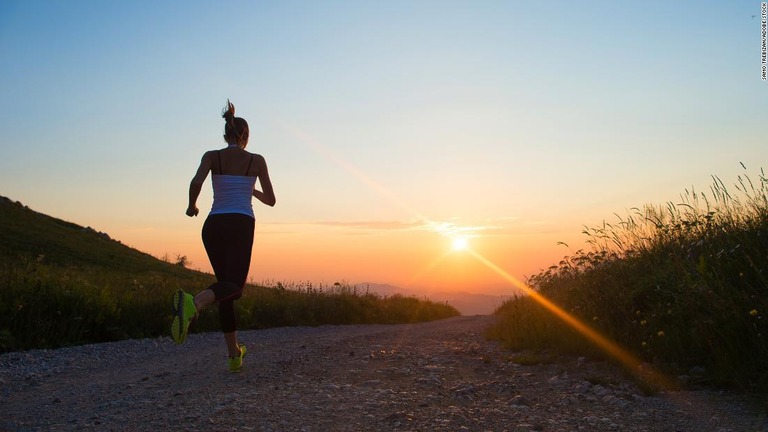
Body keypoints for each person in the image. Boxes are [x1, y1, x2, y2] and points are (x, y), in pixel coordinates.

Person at [172, 99, 276, 372]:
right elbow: (272, 200)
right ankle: (192, 304)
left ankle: (233, 355)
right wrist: (249, 189)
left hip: (213, 225)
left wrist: (192, 205)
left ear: (225, 134)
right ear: (246, 136)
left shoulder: (212, 156)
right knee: (236, 287)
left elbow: (196, 182)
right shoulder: (256, 161)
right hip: (240, 224)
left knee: (225, 288)